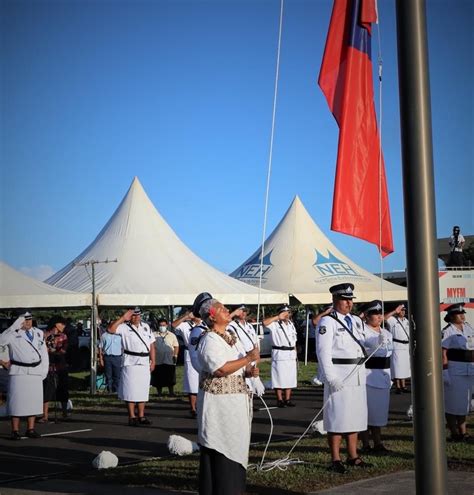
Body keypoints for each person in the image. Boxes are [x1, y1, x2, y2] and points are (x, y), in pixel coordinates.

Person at [195, 296, 260, 495]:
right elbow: (220, 369)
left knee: (235, 446)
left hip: (235, 405)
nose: (226, 311)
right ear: (212, 317)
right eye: (222, 309)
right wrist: (248, 358)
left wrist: (247, 371)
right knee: (221, 448)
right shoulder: (209, 339)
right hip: (219, 409)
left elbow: (234, 367)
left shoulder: (231, 337)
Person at [316, 283, 371, 473]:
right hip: (339, 375)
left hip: (356, 372)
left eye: (350, 300)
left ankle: (353, 455)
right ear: (335, 300)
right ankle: (336, 458)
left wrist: (378, 339)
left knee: (354, 416)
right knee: (337, 416)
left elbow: (364, 341)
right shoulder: (327, 322)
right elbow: (323, 352)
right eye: (344, 299)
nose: (349, 303)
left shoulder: (355, 320)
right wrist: (330, 377)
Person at [0, 313, 48, 439]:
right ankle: (15, 430)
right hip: (18, 371)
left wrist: (44, 369)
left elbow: (43, 352)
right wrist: (14, 327)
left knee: (33, 401)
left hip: (35, 371)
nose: (28, 322)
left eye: (30, 319)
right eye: (25, 320)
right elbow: (1, 341)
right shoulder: (12, 333)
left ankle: (30, 429)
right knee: (17, 402)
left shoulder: (38, 333)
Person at [108, 307, 156, 426]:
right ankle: (132, 416)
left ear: (140, 315)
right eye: (133, 315)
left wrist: (153, 360)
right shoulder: (124, 327)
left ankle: (141, 415)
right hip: (130, 361)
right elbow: (110, 329)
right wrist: (123, 318)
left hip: (144, 361)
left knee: (142, 390)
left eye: (137, 315)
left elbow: (152, 345)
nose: (135, 317)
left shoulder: (146, 327)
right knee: (130, 390)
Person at [359, 300, 393, 453]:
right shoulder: (362, 331)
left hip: (383, 376)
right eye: (374, 313)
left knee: (378, 413)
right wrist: (374, 341)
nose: (378, 317)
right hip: (368, 377)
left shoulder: (387, 333)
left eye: (380, 313)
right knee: (366, 413)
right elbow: (364, 346)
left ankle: (378, 442)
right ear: (365, 315)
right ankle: (366, 444)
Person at [441, 303, 474, 441]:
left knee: (463, 403)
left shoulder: (468, 328)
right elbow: (443, 352)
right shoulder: (448, 331)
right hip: (455, 369)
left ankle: (463, 431)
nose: (462, 316)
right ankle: (454, 432)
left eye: (463, 313)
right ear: (451, 316)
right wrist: (445, 371)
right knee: (452, 402)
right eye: (459, 314)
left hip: (469, 368)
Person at [263, 305, 298, 407]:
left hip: (290, 353)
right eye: (285, 313)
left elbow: (293, 340)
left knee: (290, 377)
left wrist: (295, 353)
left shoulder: (291, 324)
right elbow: (264, 323)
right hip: (280, 352)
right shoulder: (274, 324)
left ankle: (287, 399)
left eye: (289, 313)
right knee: (278, 377)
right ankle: (279, 400)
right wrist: (278, 317)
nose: (287, 315)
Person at [173, 310, 202, 417]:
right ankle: (193, 408)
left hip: (202, 352)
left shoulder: (204, 323)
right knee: (192, 382)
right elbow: (174, 325)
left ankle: (202, 405)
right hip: (189, 353)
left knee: (203, 380)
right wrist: (185, 316)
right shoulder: (185, 325)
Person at [42, 317, 70, 422]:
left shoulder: (63, 336)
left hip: (60, 366)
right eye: (62, 324)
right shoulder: (45, 335)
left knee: (63, 389)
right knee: (47, 390)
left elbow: (64, 350)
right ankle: (45, 415)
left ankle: (64, 412)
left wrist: (56, 352)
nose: (64, 326)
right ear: (56, 324)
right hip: (48, 366)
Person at [384, 304, 411, 394]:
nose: (403, 312)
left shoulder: (406, 321)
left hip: (405, 346)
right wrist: (395, 311)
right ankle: (398, 387)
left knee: (404, 367)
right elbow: (384, 318)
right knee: (397, 367)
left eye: (404, 310)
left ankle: (403, 386)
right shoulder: (393, 320)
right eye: (401, 310)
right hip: (397, 346)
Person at [151, 318, 179, 397]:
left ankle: (171, 392)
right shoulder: (153, 335)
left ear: (166, 325)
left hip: (169, 359)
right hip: (158, 360)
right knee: (158, 377)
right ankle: (159, 393)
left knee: (170, 376)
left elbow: (176, 346)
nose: (162, 327)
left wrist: (175, 355)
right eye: (160, 325)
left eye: (163, 325)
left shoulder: (172, 335)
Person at [98, 328, 123, 393]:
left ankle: (116, 390)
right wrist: (101, 359)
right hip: (107, 357)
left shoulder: (120, 336)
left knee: (117, 375)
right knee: (108, 375)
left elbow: (123, 347)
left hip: (117, 357)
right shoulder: (104, 335)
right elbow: (100, 347)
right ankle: (110, 390)